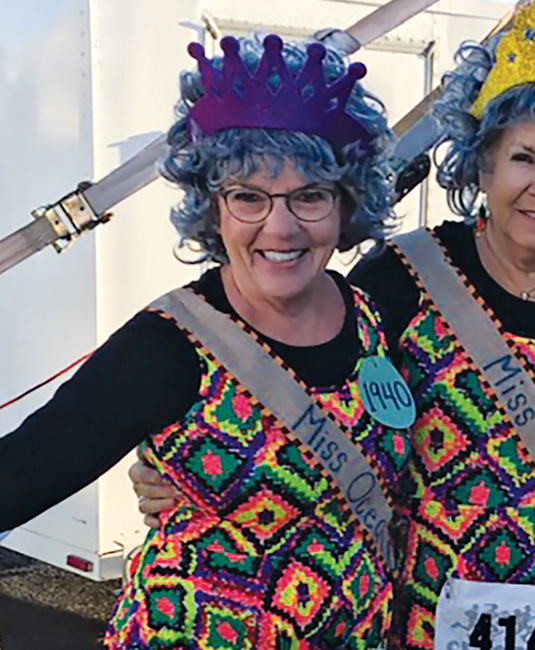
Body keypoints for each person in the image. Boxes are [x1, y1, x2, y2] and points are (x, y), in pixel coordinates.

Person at [136, 0, 535, 647]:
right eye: (524, 157)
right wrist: (186, 463)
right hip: (416, 621)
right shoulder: (401, 279)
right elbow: (295, 400)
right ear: (483, 160)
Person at [0, 33, 410, 649]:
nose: (280, 225)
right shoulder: (168, 346)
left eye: (310, 196)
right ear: (212, 207)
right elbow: (21, 474)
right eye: (248, 197)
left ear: (346, 203)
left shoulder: (372, 313)